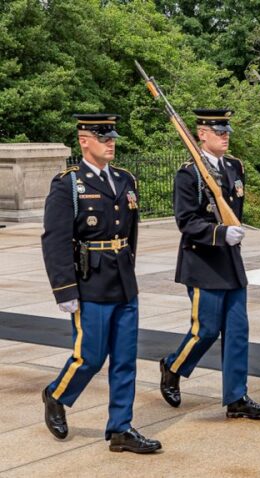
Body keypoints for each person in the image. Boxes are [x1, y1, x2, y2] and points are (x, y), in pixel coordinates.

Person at [41, 114, 161, 453]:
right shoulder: (69, 184)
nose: (111, 142)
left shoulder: (125, 179)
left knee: (125, 359)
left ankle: (120, 428)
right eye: (102, 136)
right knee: (90, 356)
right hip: (90, 282)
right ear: (84, 141)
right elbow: (55, 239)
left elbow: (130, 232)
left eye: (112, 136)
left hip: (123, 280)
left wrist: (130, 268)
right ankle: (57, 394)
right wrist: (64, 289)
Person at [158, 109, 260, 419]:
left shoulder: (236, 167)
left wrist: (232, 231)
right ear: (201, 134)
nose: (225, 135)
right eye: (217, 131)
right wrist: (220, 233)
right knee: (205, 330)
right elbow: (186, 221)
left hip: (231, 263)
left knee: (237, 331)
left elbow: (233, 209)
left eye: (226, 130)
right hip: (203, 262)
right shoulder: (189, 173)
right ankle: (173, 366)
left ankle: (236, 397)